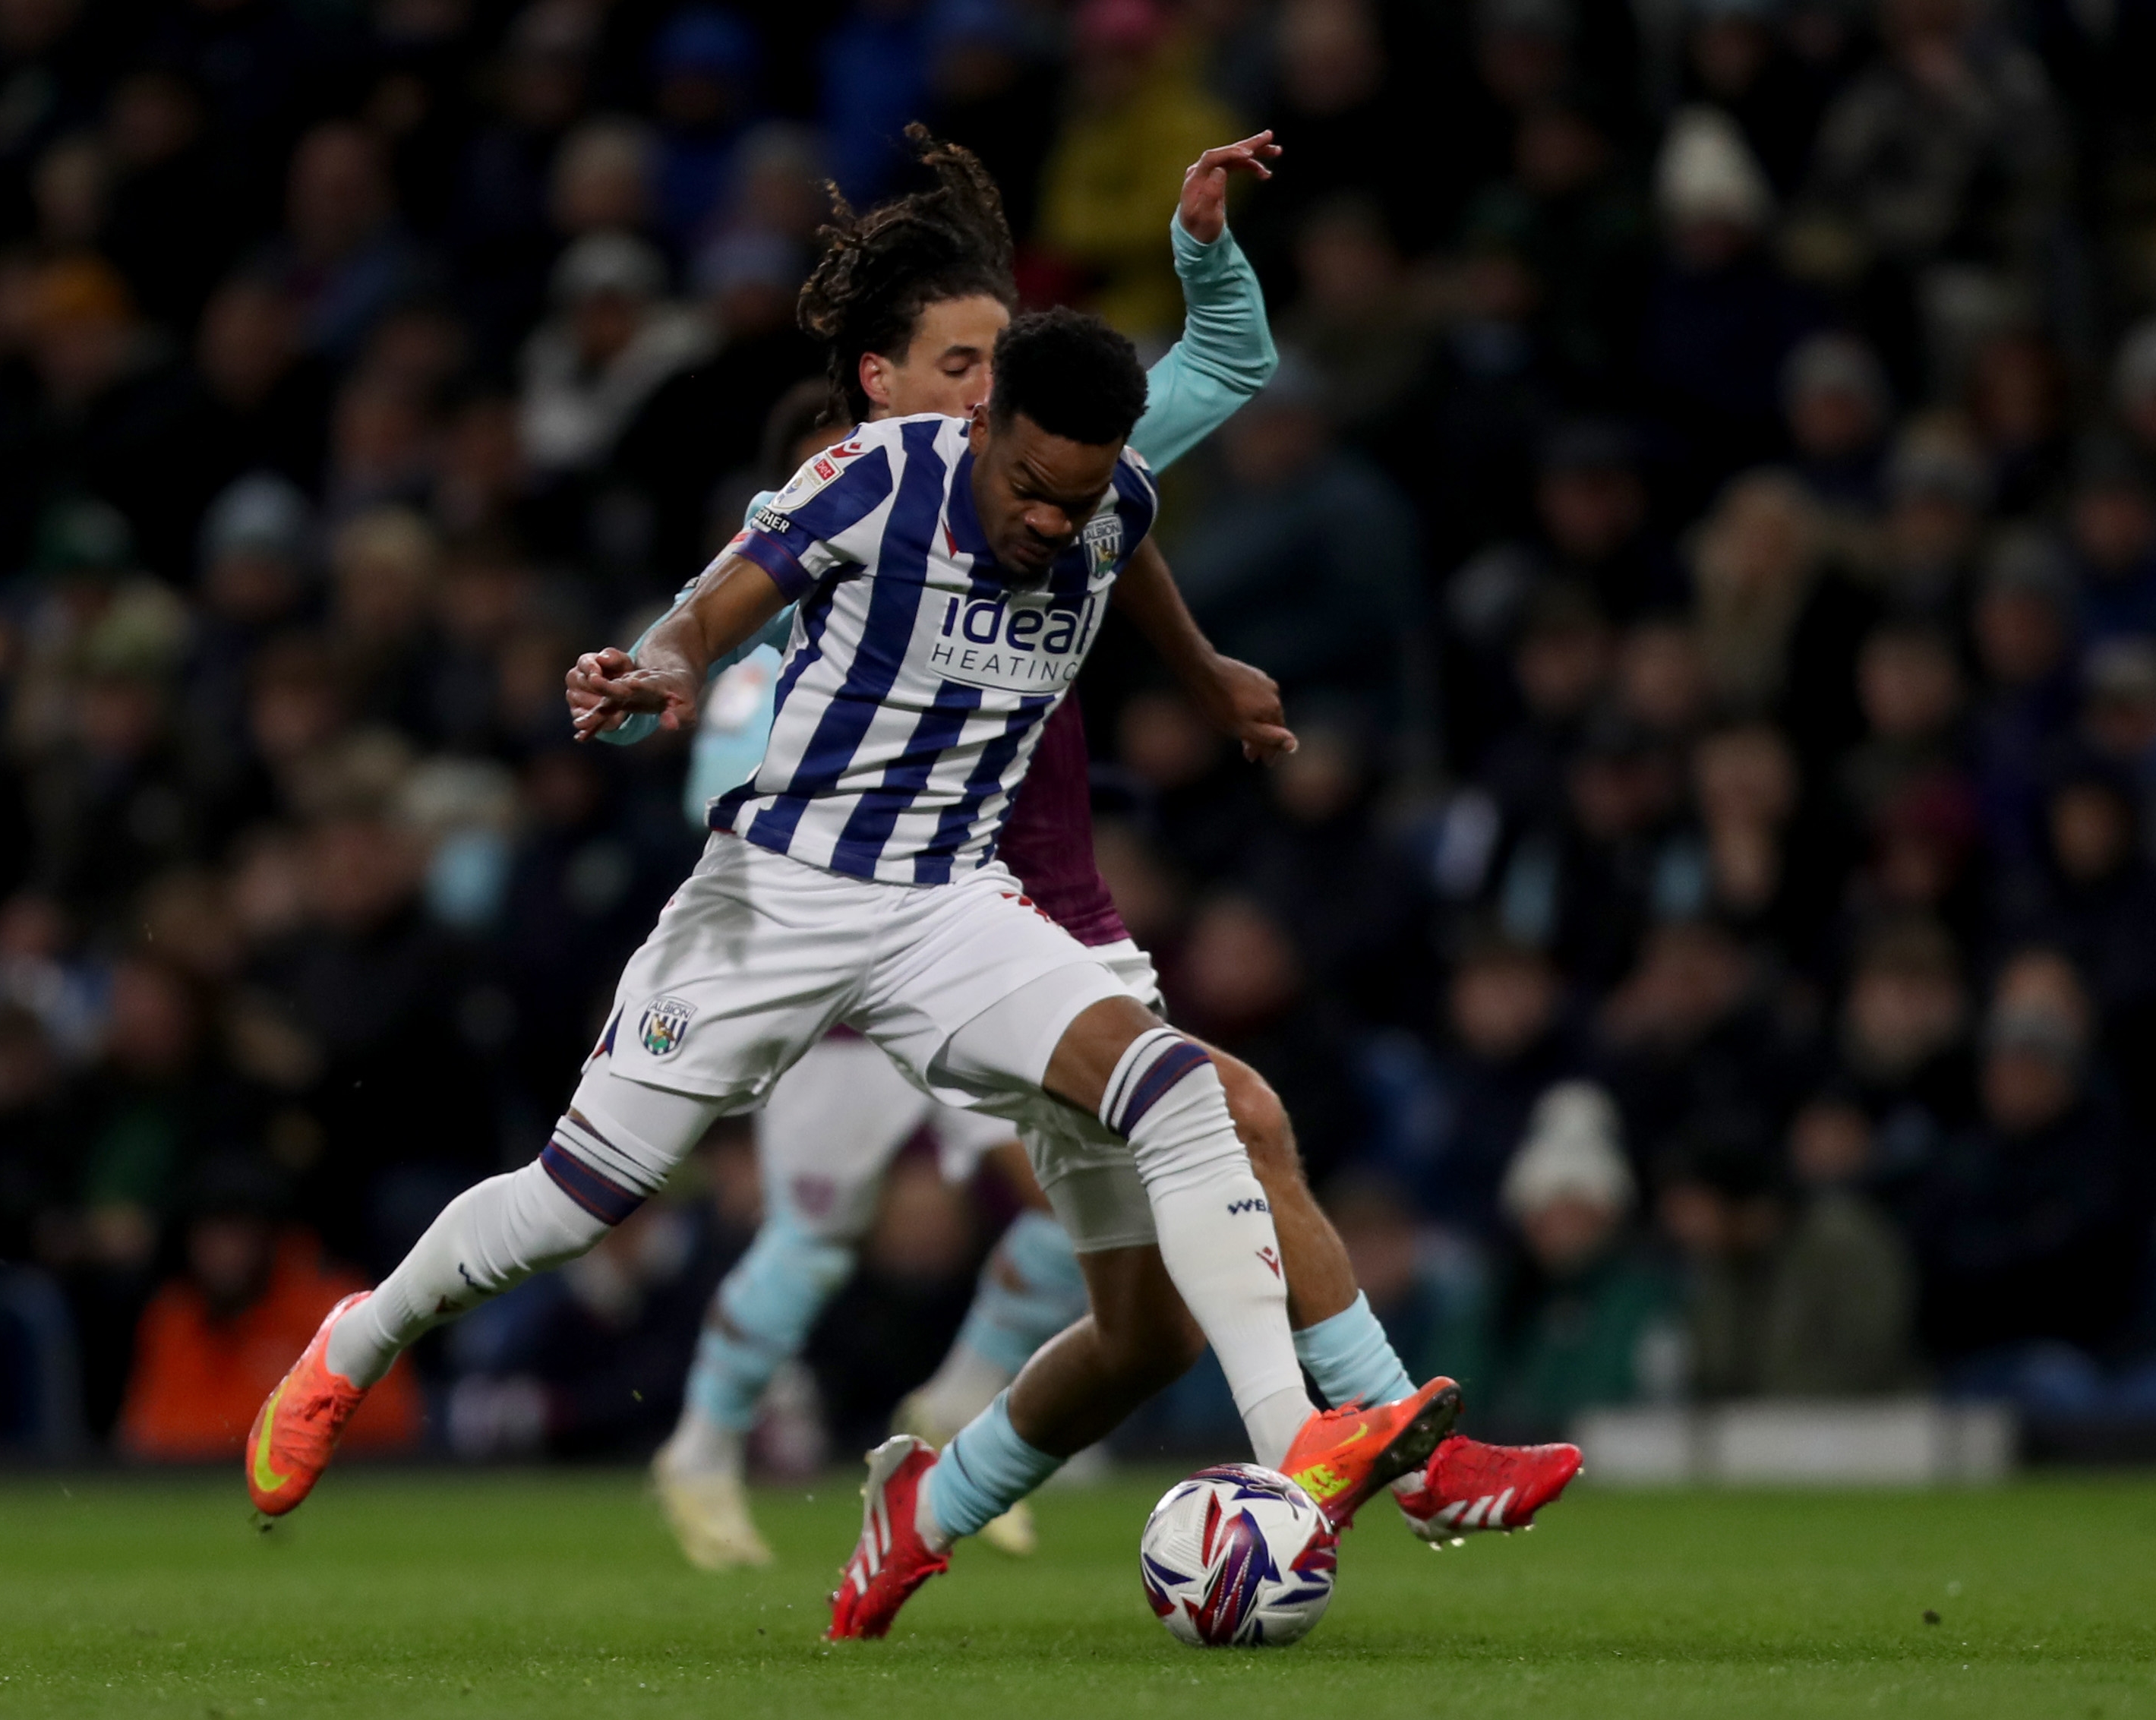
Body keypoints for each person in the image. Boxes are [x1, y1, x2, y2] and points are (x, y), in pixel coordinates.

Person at [608, 131, 1578, 1574]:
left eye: (1004, 360)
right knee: (1207, 1128)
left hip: (1030, 919)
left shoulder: (1052, 460)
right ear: (880, 381)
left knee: (1140, 1322)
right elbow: (675, 689)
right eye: (962, 364)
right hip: (876, 945)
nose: (994, 391)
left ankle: (921, 1502)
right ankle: (1397, 1450)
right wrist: (657, 691)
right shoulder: (840, 517)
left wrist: (1199, 249)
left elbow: (1222, 375)